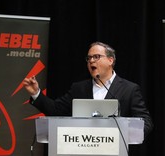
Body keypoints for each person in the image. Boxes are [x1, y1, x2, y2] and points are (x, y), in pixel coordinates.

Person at [23, 41, 154, 138]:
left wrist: (122, 133)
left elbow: (146, 122)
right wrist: (36, 93)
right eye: (89, 58)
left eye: (96, 57)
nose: (91, 61)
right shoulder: (79, 88)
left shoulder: (129, 89)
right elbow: (55, 110)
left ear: (110, 60)